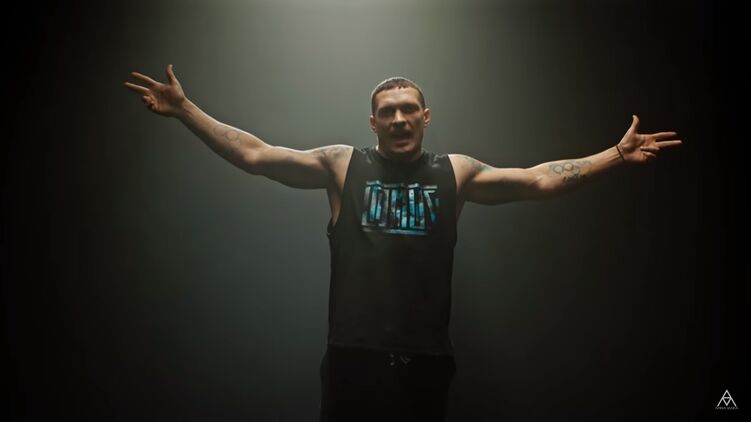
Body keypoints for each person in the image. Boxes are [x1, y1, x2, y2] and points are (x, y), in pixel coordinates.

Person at [124, 64, 682, 421]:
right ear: (372, 123)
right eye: (387, 112)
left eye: (408, 108)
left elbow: (538, 179)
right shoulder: (342, 165)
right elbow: (255, 154)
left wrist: (616, 155)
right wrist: (185, 110)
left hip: (426, 362)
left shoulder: (455, 172)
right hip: (353, 360)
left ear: (425, 116)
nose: (398, 118)